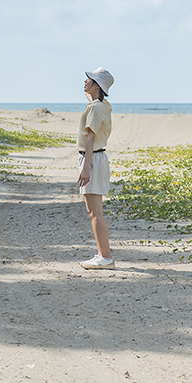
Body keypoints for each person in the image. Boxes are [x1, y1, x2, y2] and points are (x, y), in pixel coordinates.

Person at [77, 67, 115, 270]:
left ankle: (105, 257)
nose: (85, 81)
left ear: (98, 84)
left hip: (93, 158)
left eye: (90, 79)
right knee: (95, 211)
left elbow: (90, 138)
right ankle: (103, 254)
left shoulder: (94, 108)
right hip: (98, 158)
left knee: (95, 212)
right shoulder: (102, 105)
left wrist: (86, 168)